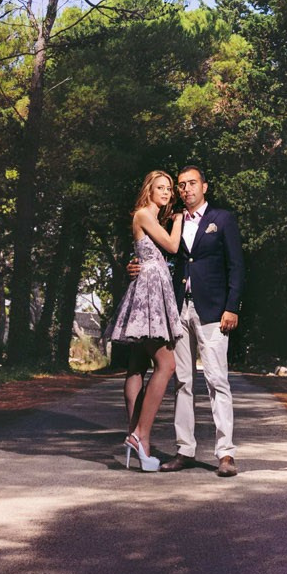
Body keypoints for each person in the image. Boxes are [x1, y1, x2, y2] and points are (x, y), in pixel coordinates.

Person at [158, 165, 245, 476]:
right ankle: (185, 450)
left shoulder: (222, 220)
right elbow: (161, 255)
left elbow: (236, 266)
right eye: (181, 185)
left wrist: (232, 307)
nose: (186, 189)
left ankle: (225, 454)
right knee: (182, 381)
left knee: (217, 380)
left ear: (204, 187)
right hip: (179, 310)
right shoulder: (175, 221)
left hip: (213, 311)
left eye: (192, 183)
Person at [102, 170, 183, 471]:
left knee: (137, 365)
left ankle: (137, 438)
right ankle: (140, 435)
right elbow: (173, 247)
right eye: (160, 188)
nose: (166, 193)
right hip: (149, 293)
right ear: (148, 189)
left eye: (169, 189)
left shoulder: (149, 218)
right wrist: (178, 222)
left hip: (151, 287)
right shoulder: (144, 214)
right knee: (167, 364)